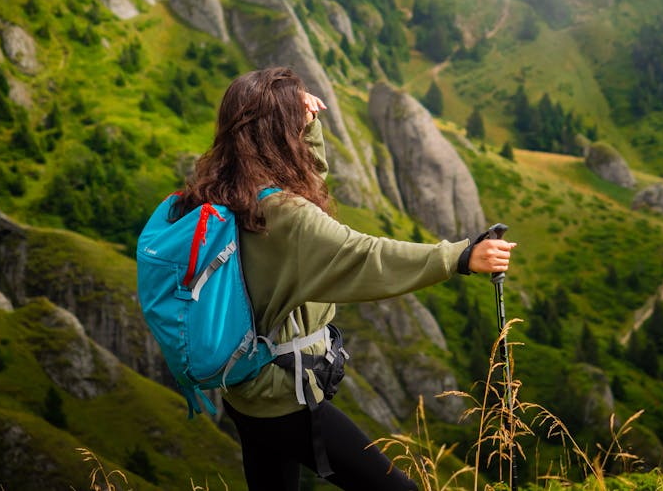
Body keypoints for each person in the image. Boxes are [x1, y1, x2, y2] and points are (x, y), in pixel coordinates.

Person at [173, 66, 516, 491]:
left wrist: (308, 127)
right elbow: (366, 256)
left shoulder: (220, 190)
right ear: (279, 133)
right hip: (286, 398)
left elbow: (297, 186)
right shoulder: (284, 218)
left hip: (245, 387)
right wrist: (461, 257)